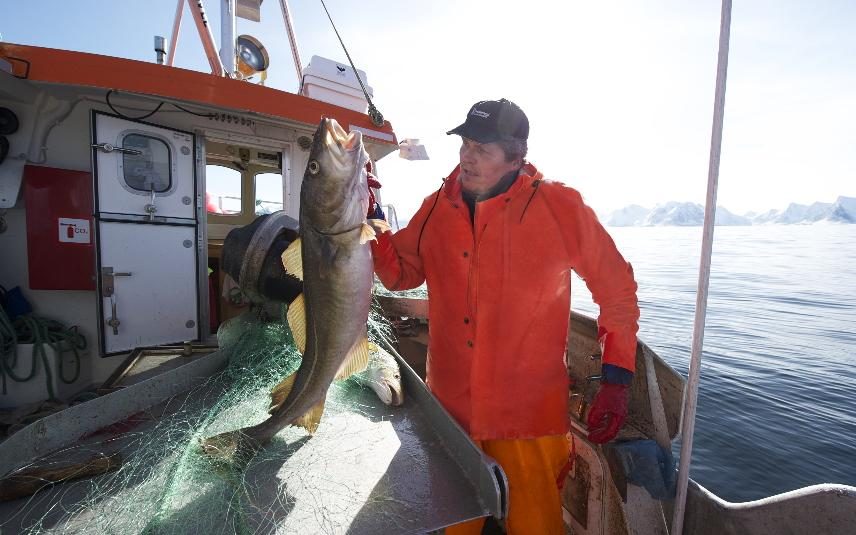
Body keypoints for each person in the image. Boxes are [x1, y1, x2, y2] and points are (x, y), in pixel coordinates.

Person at [370, 98, 639, 534]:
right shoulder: (436, 206)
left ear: (517, 157)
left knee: (536, 526)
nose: (467, 157)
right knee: (454, 524)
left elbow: (618, 291)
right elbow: (399, 272)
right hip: (453, 410)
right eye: (465, 144)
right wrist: (368, 219)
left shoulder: (560, 205)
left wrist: (616, 378)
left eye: (483, 149)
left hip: (528, 417)